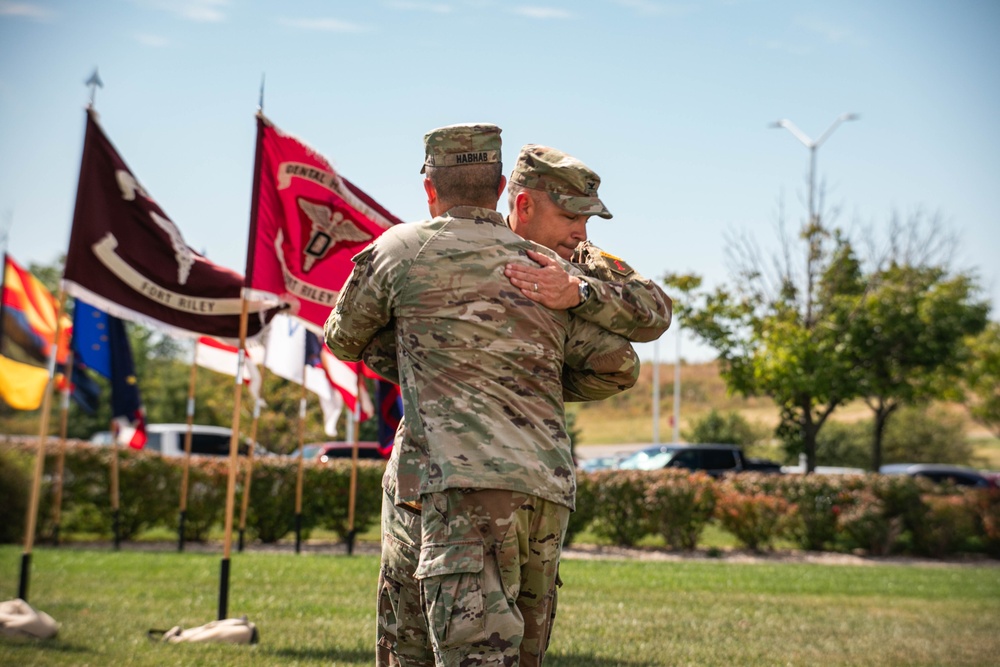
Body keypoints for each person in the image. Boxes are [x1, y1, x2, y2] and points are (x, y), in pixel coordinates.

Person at [324, 123, 640, 667]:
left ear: (430, 190)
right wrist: (530, 379)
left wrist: (424, 359)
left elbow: (342, 337)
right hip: (543, 494)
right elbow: (620, 364)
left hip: (459, 492)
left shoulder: (404, 250)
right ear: (499, 189)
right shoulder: (549, 270)